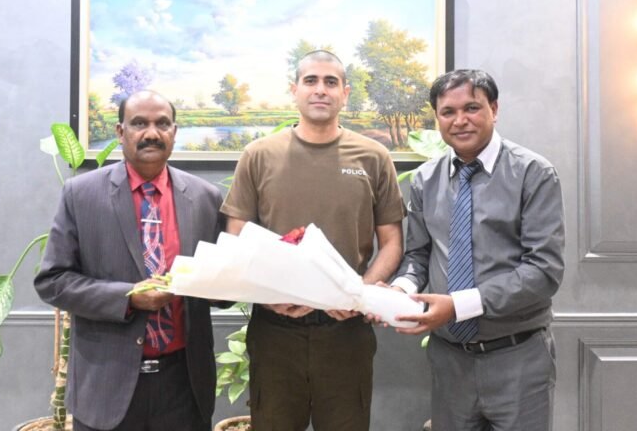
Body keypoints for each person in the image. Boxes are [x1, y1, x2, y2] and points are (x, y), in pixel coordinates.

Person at [220, 50, 406, 431]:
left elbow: (392, 243)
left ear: (345, 93)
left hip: (346, 333)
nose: (320, 90)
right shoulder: (258, 156)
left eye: (331, 82)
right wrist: (268, 295)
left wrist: (358, 293)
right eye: (311, 81)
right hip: (275, 333)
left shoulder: (373, 156)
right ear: (294, 90)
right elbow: (235, 241)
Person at [34, 91, 223, 431]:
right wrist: (128, 298)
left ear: (174, 132)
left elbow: (222, 290)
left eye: (162, 124)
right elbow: (53, 280)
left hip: (184, 384)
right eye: (139, 123)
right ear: (121, 132)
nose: (152, 133)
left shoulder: (205, 198)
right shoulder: (81, 195)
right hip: (107, 383)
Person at [391, 69, 565, 431]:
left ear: (494, 109)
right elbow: (418, 256)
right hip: (450, 360)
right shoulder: (426, 179)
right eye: (448, 112)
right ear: (437, 118)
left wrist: (458, 306)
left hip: (518, 357)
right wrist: (400, 291)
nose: (460, 120)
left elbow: (543, 272)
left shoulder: (534, 173)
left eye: (471, 108)